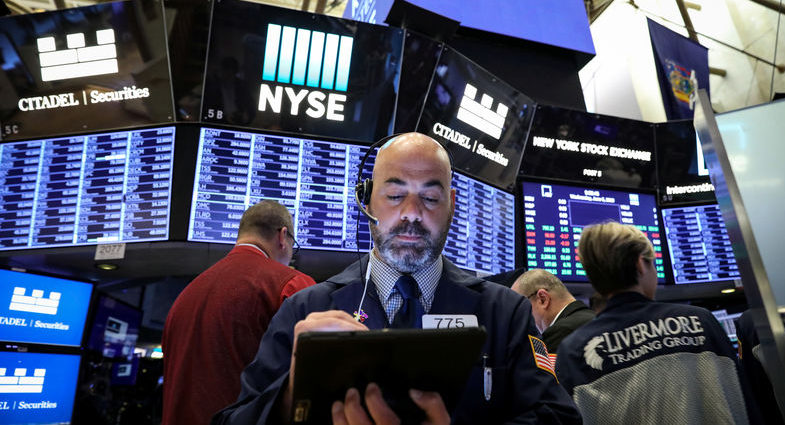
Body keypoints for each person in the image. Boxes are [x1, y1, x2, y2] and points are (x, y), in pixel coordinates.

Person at [213, 133, 581, 424]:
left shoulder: (506, 312)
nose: (412, 214)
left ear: (452, 203)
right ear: (367, 199)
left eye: (431, 199)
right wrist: (292, 392)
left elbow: (560, 418)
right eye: (394, 194)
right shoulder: (305, 310)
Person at [555, 221, 762, 424]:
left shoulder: (574, 351)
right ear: (640, 265)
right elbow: (744, 405)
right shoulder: (700, 321)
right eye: (652, 262)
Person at [162, 200, 315, 425]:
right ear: (283, 237)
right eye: (294, 245)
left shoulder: (183, 298)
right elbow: (317, 378)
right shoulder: (290, 285)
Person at [511, 269, 595, 353]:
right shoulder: (596, 320)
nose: (522, 320)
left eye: (521, 310)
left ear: (543, 299)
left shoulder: (559, 333)